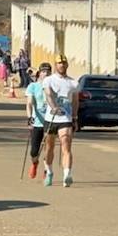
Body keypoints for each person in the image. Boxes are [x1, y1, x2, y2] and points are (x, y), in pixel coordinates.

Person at [40, 56, 79, 187]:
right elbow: (48, 95)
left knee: (66, 145)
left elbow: (75, 101)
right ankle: (49, 171)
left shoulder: (73, 83)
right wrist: (54, 107)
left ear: (67, 65)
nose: (61, 65)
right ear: (56, 65)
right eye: (59, 63)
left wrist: (74, 117)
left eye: (63, 63)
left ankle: (67, 174)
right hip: (50, 118)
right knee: (49, 148)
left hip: (65, 119)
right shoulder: (48, 80)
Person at [23, 63, 52, 178]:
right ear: (39, 73)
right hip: (37, 122)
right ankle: (35, 163)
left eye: (48, 72)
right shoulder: (33, 86)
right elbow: (29, 103)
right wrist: (30, 117)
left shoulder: (53, 86)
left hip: (50, 122)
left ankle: (46, 170)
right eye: (44, 71)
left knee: (48, 148)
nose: (46, 74)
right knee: (34, 151)